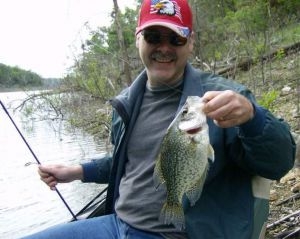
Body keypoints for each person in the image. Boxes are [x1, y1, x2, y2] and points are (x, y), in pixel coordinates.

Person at [23, 0, 296, 238]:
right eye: (154, 36)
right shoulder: (127, 102)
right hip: (115, 225)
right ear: (138, 38)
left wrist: (253, 117)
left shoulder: (223, 99)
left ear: (190, 42)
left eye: (176, 38)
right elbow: (128, 163)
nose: (164, 47)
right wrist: (76, 172)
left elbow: (279, 163)